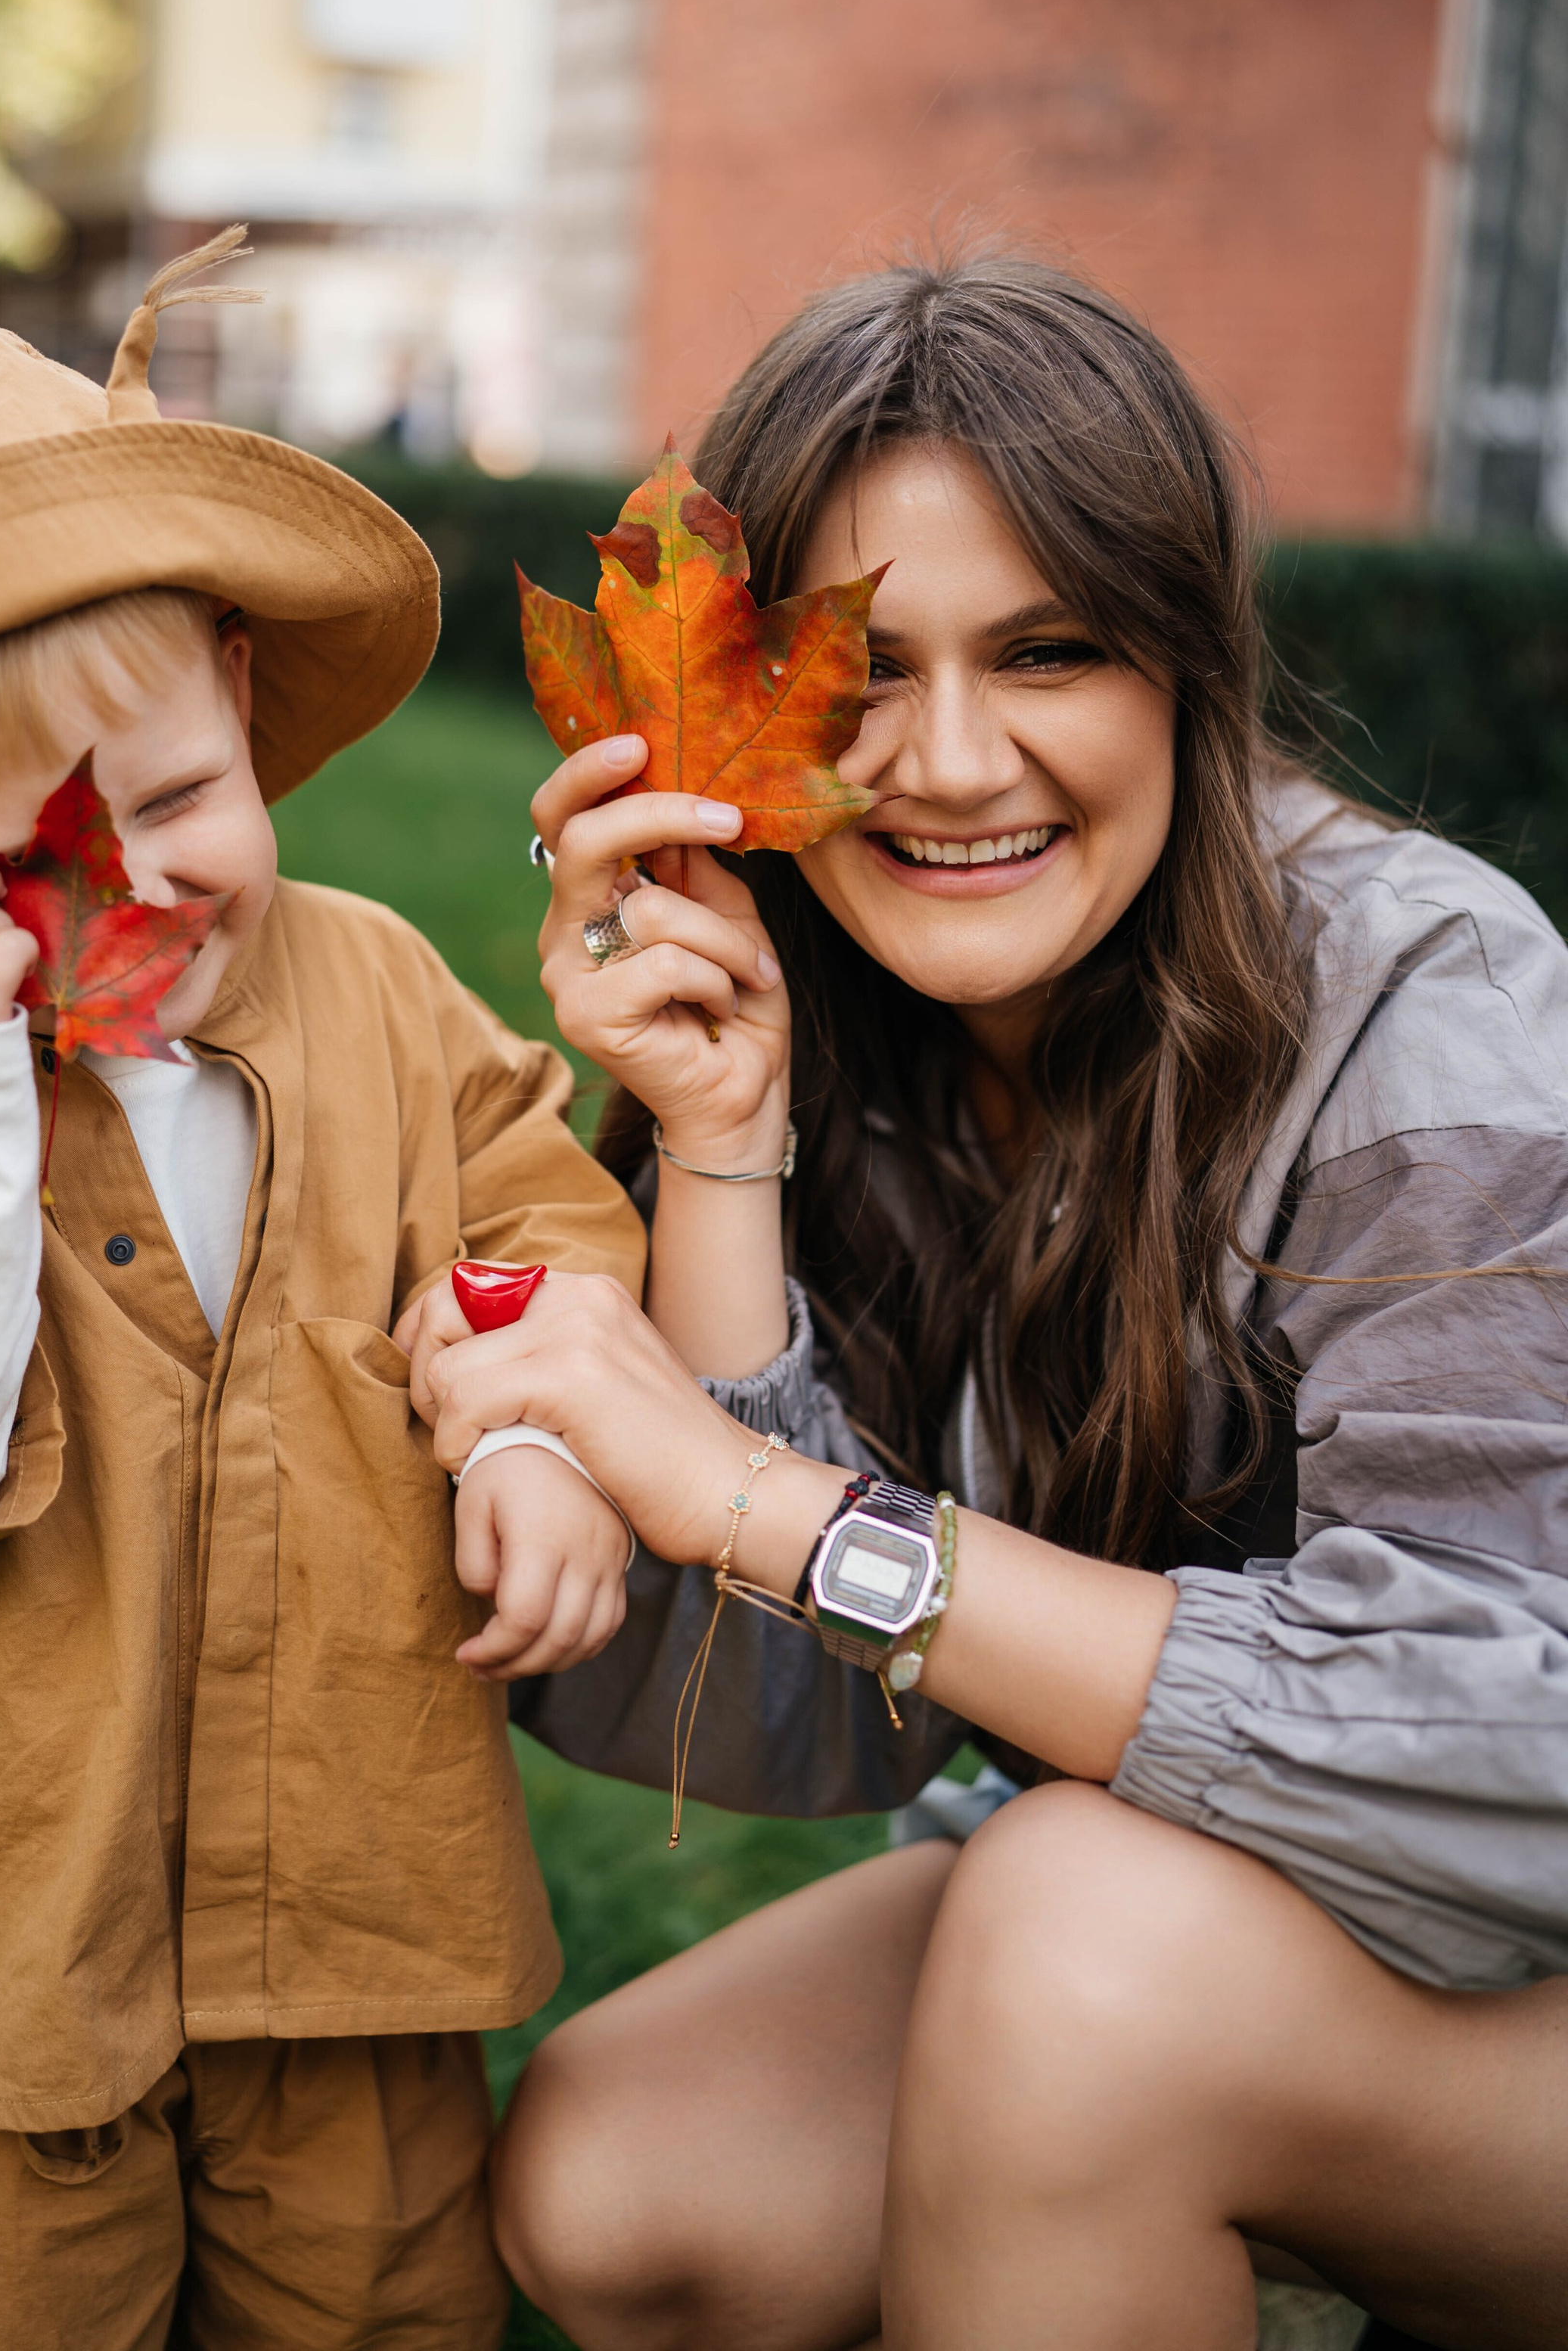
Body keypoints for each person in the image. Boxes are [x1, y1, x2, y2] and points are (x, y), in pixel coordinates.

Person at [403, 261, 1568, 2351]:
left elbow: (1517, 1741)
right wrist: (727, 1150)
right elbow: (787, 1721)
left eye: (1050, 649)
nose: (949, 762)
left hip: (1508, 1928)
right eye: (864, 669)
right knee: (629, 2186)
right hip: (1172, 1899)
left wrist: (746, 1502)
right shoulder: (815, 1014)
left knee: (1071, 1940)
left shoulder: (1435, 1002)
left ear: (1190, 669)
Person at [0, 238, 645, 2351]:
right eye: (29, 864)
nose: (144, 889)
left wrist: (530, 1417)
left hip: (357, 1910)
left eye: (180, 800)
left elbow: (506, 1225)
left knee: (374, 2303)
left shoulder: (371, 985)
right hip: (10, 1954)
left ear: (241, 694)